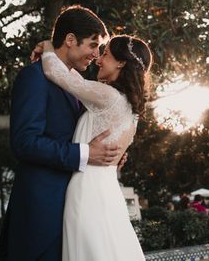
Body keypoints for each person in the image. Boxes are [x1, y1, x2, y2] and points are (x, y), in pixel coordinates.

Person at [0, 6, 125, 261]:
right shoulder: (34, 77)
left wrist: (108, 155)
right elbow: (24, 142)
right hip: (42, 211)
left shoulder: (75, 83)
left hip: (74, 209)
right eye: (93, 45)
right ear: (70, 40)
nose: (96, 56)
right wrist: (87, 153)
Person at [36, 34, 153, 260]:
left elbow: (56, 73)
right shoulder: (132, 111)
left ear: (121, 62)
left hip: (86, 191)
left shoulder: (109, 96)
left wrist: (50, 45)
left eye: (106, 54)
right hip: (108, 193)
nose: (98, 60)